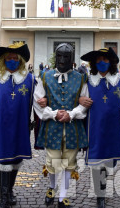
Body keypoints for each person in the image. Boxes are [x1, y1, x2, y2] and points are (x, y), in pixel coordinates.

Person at [0, 42, 35, 208]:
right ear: (4, 61)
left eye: (15, 58)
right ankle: (3, 198)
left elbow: (39, 103)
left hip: (20, 127)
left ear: (20, 61)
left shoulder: (29, 80)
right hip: (1, 127)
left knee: (16, 160)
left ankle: (10, 192)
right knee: (4, 161)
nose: (12, 61)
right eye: (9, 58)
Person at [77, 47, 120, 208]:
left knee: (110, 163)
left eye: (105, 59)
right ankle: (100, 195)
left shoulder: (119, 80)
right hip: (95, 128)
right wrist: (80, 101)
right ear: (95, 62)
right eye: (99, 60)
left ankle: (103, 185)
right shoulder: (89, 80)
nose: (102, 62)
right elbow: (82, 101)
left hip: (113, 128)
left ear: (111, 62)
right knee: (96, 161)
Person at [34, 43, 88, 208]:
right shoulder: (45, 76)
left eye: (66, 56)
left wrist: (71, 114)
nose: (62, 60)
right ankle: (51, 187)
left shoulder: (81, 79)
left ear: (72, 59)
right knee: (53, 161)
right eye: (60, 56)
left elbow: (85, 102)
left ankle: (62, 197)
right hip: (52, 126)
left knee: (69, 161)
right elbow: (38, 101)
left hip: (73, 127)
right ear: (55, 57)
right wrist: (53, 113)